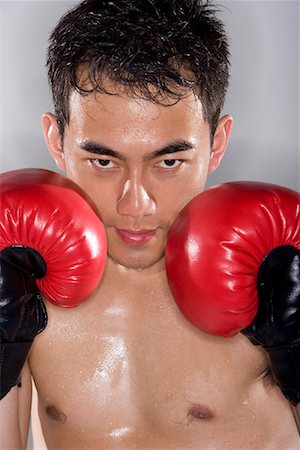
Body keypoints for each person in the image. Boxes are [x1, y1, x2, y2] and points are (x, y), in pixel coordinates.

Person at [0, 0, 299, 448]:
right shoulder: (24, 282)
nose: (135, 203)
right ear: (56, 142)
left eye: (170, 161)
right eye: (103, 160)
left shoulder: (276, 272)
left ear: (217, 145)